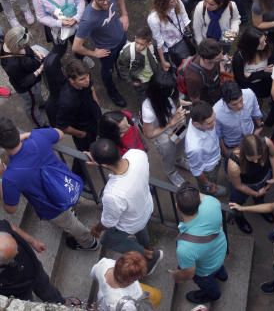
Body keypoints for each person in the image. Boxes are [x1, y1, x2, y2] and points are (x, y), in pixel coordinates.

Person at [0, 119, 98, 251]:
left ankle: (89, 243)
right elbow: (60, 133)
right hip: (65, 183)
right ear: (17, 131)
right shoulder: (37, 137)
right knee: (69, 214)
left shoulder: (10, 177)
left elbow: (11, 209)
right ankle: (72, 210)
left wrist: (2, 180)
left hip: (51, 206)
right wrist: (26, 135)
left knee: (71, 224)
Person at [89, 139, 162, 272]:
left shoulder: (112, 194)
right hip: (145, 207)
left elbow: (109, 222)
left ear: (104, 164)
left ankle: (147, 255)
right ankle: (147, 245)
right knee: (141, 228)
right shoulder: (136, 154)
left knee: (108, 241)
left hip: (131, 222)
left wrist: (97, 229)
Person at [72, 0, 129, 107]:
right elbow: (76, 47)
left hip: (121, 37)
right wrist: (93, 53)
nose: (106, 2)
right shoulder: (88, 19)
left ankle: (121, 71)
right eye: (101, 0)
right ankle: (112, 92)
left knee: (122, 59)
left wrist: (124, 14)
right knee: (107, 72)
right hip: (107, 50)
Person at [172, 183, 227, 305]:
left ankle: (212, 295)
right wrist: (188, 189)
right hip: (220, 252)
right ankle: (222, 275)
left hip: (206, 271)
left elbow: (189, 273)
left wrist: (178, 276)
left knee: (211, 288)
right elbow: (201, 196)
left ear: (177, 207)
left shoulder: (184, 248)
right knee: (219, 269)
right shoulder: (212, 202)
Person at [141, 70, 188, 187]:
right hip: (163, 134)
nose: (173, 92)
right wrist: (171, 123)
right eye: (170, 91)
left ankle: (179, 159)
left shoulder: (169, 92)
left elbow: (174, 99)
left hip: (177, 123)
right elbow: (149, 134)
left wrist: (185, 103)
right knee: (169, 153)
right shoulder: (148, 109)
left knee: (180, 143)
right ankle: (171, 172)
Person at [0, 219, 65, 303]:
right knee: (26, 302)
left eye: (17, 247)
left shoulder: (2, 228)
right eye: (9, 259)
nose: (18, 252)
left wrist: (33, 241)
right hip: (16, 290)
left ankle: (59, 302)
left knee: (46, 287)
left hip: (34, 269)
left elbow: (11, 227)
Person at [227, 133, 274, 234]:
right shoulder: (234, 163)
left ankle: (260, 205)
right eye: (251, 158)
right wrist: (256, 193)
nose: (255, 161)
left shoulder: (267, 143)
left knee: (261, 198)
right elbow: (238, 185)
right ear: (243, 152)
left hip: (263, 178)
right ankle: (239, 217)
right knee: (237, 203)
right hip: (245, 185)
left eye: (259, 157)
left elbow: (273, 156)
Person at [0, 27, 48, 127]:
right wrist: (39, 70)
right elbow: (23, 82)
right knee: (31, 107)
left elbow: (26, 47)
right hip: (28, 88)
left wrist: (35, 52)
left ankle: (41, 104)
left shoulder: (10, 43)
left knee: (37, 96)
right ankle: (41, 125)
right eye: (24, 45)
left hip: (33, 79)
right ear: (17, 45)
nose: (26, 45)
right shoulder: (12, 65)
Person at [55, 58, 102, 155]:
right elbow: (63, 126)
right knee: (84, 151)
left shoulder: (86, 80)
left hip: (94, 119)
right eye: (82, 79)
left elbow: (91, 88)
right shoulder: (67, 101)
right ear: (72, 80)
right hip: (83, 129)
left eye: (88, 76)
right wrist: (81, 134)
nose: (87, 80)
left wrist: (96, 103)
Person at [92, 250, 162, 311]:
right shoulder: (128, 304)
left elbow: (93, 274)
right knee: (156, 296)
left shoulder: (105, 263)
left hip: (101, 302)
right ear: (132, 280)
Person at [185, 101, 226, 196]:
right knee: (208, 186)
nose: (214, 123)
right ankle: (210, 191)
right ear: (196, 124)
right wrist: (208, 184)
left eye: (214, 119)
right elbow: (197, 171)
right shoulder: (194, 147)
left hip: (215, 157)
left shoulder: (203, 117)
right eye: (209, 123)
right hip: (208, 170)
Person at [147, 0, 192, 70]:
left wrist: (189, 36)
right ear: (163, 4)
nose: (176, 2)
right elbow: (159, 41)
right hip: (171, 47)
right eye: (172, 2)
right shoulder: (154, 19)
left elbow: (185, 19)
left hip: (183, 39)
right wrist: (163, 61)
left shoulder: (177, 2)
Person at [214, 82, 263, 157]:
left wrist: (259, 127)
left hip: (252, 135)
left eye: (241, 100)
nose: (240, 106)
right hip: (233, 147)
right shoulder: (216, 113)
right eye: (234, 104)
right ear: (225, 101)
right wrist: (226, 152)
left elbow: (256, 112)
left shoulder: (249, 94)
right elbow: (218, 135)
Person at [179, 38, 225, 106]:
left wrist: (221, 68)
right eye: (218, 57)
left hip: (216, 91)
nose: (223, 57)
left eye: (222, 53)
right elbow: (195, 100)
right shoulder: (193, 78)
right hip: (207, 101)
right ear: (207, 59)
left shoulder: (209, 55)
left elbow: (220, 60)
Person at [232, 26, 274, 99]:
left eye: (265, 40)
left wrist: (251, 75)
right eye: (261, 43)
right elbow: (242, 81)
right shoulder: (239, 58)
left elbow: (272, 70)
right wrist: (263, 72)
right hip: (248, 88)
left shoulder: (267, 48)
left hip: (264, 85)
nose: (265, 44)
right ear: (251, 45)